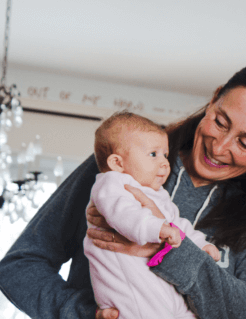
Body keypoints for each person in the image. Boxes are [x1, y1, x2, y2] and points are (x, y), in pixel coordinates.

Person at [0, 58, 246, 319]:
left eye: (244, 142)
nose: (220, 146)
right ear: (213, 99)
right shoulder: (120, 166)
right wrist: (78, 313)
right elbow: (20, 267)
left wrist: (171, 250)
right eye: (220, 121)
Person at [84, 111, 220, 319]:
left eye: (165, 155)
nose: (165, 163)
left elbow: (179, 226)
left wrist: (201, 245)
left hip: (159, 287)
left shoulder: (158, 195)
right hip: (129, 288)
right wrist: (157, 229)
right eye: (153, 154)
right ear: (117, 163)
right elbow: (124, 215)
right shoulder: (112, 183)